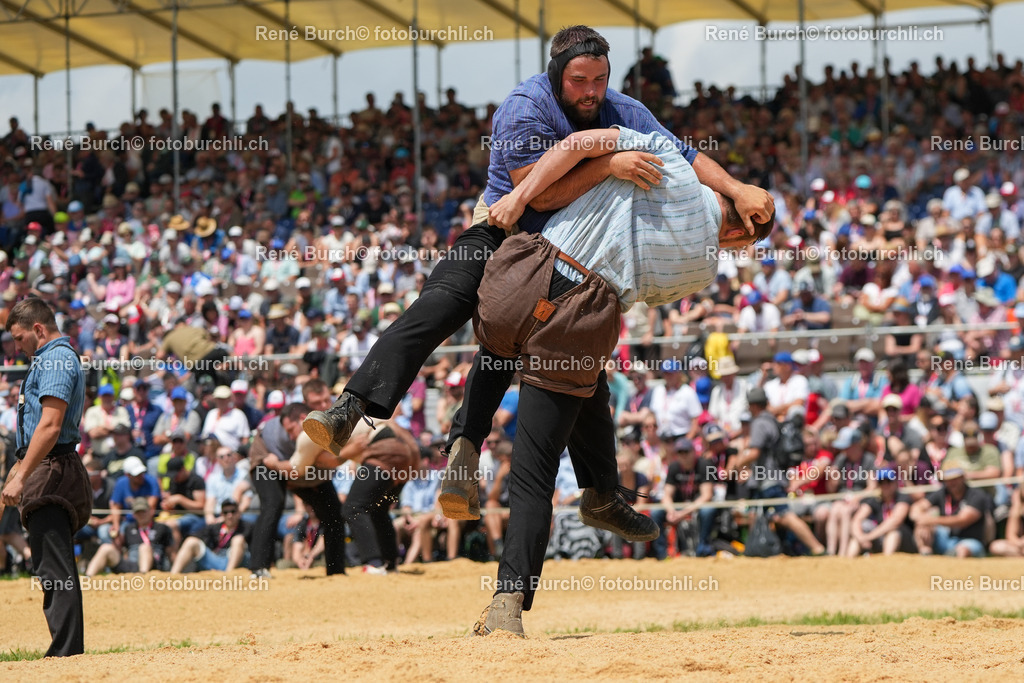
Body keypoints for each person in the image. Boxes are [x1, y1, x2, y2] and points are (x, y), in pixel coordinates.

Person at [302, 25, 774, 532]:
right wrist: (609, 164)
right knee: (440, 306)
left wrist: (738, 187)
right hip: (503, 230)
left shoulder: (623, 110)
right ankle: (353, 406)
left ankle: (539, 473)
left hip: (564, 257)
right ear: (556, 75)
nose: (591, 91)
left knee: (570, 367)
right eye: (579, 81)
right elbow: (535, 195)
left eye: (600, 79)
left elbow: (684, 154)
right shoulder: (524, 106)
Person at [467, 126, 773, 636]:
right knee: (535, 467)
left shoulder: (674, 169)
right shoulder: (701, 272)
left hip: (523, 275)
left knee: (502, 344)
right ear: (740, 236)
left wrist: (549, 186)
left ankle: (463, 437)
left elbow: (591, 139)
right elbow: (635, 292)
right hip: (585, 320)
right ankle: (513, 596)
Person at [0, 298, 89, 657]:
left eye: (19, 339)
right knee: (52, 563)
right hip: (49, 466)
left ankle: (65, 654)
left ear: (38, 329)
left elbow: (50, 426)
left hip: (51, 469)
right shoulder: (51, 359)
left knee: (53, 565)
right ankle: (67, 650)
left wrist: (22, 475)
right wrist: (19, 466)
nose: (16, 348)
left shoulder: (54, 359)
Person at [248, 402, 347, 578]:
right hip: (267, 462)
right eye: (287, 431)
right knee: (272, 503)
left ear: (303, 419)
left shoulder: (321, 433)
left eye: (291, 430)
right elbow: (279, 465)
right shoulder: (270, 436)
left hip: (302, 470)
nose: (291, 437)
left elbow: (317, 467)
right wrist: (279, 466)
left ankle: (336, 570)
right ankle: (259, 568)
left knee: (333, 511)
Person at [911, 466, 993, 558]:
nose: (952, 482)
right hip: (945, 537)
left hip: (970, 541)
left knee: (963, 550)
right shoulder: (943, 492)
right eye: (948, 479)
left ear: (963, 478)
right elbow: (917, 507)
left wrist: (931, 520)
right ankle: (925, 554)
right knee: (922, 527)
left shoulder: (977, 495)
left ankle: (955, 564)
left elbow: (962, 521)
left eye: (955, 479)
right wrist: (922, 520)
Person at [169, 498, 251, 573]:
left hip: (237, 563)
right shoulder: (215, 527)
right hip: (215, 560)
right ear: (221, 515)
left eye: (233, 511)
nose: (230, 515)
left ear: (239, 513)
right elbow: (196, 536)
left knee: (238, 540)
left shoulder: (247, 526)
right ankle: (172, 576)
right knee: (191, 541)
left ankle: (228, 576)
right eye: (226, 512)